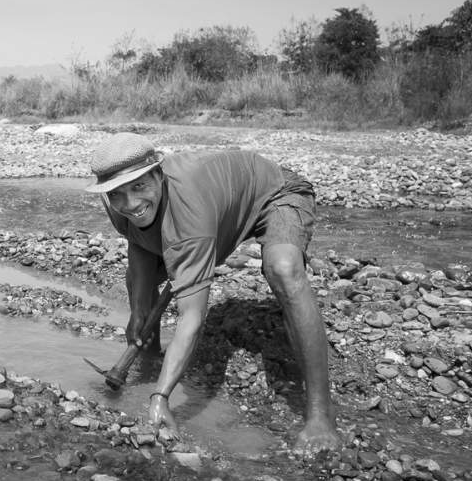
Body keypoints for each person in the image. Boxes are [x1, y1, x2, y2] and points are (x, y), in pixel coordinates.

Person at [85, 132, 339, 454]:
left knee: (284, 268)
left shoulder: (190, 213)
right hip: (217, 211)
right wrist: (138, 310)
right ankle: (148, 362)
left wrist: (161, 397)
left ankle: (321, 415)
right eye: (118, 194)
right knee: (140, 282)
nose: (130, 203)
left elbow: (192, 316)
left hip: (274, 193)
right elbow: (139, 243)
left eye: (139, 187)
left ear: (159, 175)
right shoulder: (117, 203)